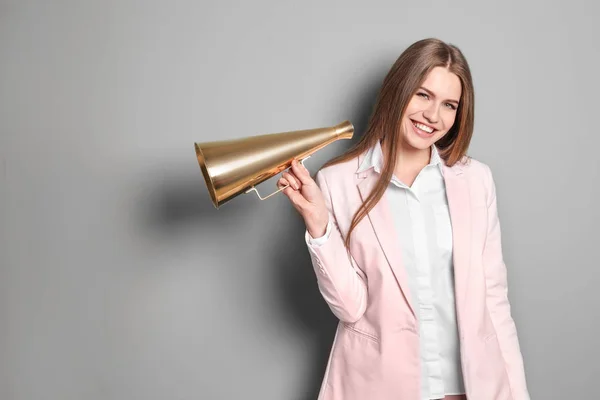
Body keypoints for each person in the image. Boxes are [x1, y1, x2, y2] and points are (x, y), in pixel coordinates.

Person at [277, 38, 530, 400]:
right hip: (380, 386)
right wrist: (319, 226)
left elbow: (494, 301)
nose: (433, 116)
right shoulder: (339, 181)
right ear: (399, 91)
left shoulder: (476, 180)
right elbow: (350, 307)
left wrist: (518, 394)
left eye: (449, 105)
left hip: (469, 388)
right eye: (423, 95)